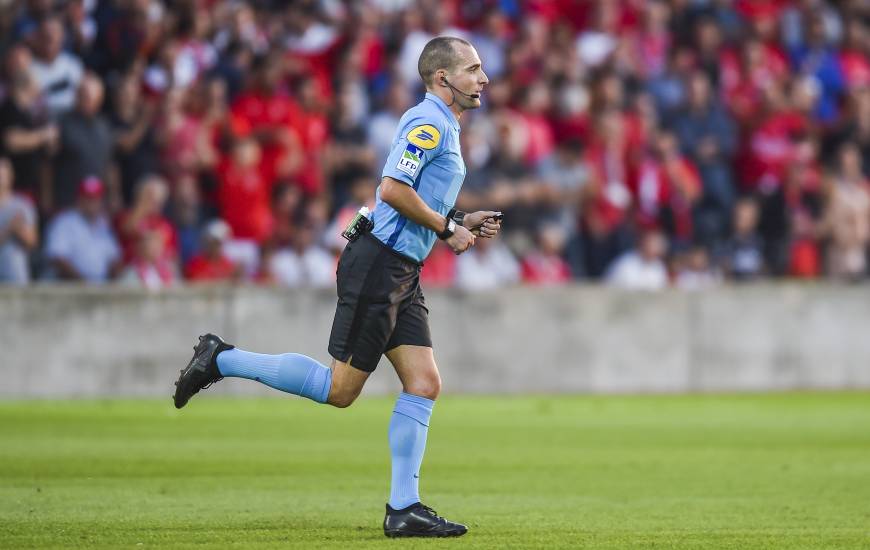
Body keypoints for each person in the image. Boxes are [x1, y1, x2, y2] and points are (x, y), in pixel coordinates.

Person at [172, 37, 499, 538]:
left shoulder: (445, 125)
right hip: (380, 265)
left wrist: (458, 218)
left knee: (425, 382)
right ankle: (219, 358)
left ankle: (403, 509)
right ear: (442, 78)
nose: (483, 79)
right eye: (473, 70)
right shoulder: (429, 122)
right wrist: (445, 228)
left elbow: (409, 197)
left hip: (401, 269)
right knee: (339, 390)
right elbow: (392, 189)